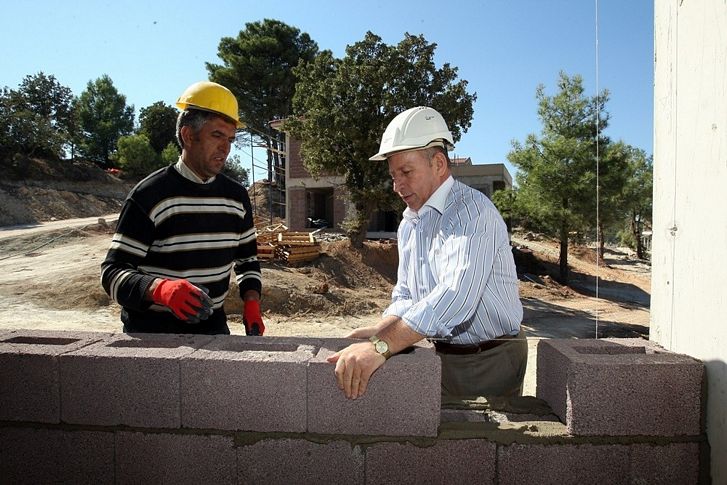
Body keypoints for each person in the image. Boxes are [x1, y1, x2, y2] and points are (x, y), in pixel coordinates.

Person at [327, 106, 526, 399]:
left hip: (489, 359)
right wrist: (380, 331)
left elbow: (456, 297)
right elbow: (407, 295)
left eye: (406, 172)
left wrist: (382, 346)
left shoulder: (472, 213)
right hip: (439, 354)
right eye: (393, 176)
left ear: (438, 163)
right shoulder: (411, 222)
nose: (397, 186)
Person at [100, 81, 264, 336]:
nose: (226, 148)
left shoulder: (237, 197)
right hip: (152, 336)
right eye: (217, 135)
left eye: (230, 139)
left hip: (213, 331)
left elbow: (247, 261)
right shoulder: (150, 195)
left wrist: (252, 301)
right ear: (188, 135)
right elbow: (112, 274)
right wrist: (160, 290)